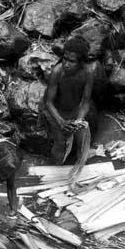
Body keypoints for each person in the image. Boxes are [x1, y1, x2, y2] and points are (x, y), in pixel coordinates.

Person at [43, 36, 94, 186]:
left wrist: (79, 121)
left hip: (74, 110)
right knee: (60, 143)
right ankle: (56, 170)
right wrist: (61, 122)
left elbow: (85, 102)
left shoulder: (87, 73)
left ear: (81, 62)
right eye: (65, 59)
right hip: (56, 112)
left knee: (81, 140)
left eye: (71, 61)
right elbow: (48, 102)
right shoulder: (57, 72)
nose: (66, 64)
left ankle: (79, 173)